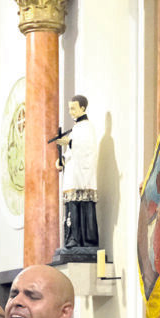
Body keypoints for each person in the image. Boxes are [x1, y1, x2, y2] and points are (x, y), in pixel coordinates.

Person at [55, 94, 99, 248]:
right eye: (69, 109)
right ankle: (72, 237)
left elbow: (88, 149)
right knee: (71, 205)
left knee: (81, 204)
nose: (70, 111)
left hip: (83, 177)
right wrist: (62, 161)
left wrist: (70, 142)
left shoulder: (87, 127)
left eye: (73, 108)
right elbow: (70, 153)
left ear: (83, 108)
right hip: (73, 176)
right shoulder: (76, 128)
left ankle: (83, 239)